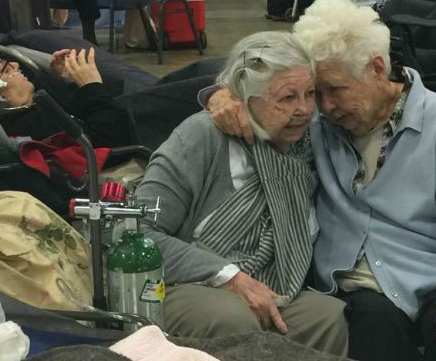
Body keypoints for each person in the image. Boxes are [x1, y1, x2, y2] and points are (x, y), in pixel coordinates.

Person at [207, 0, 436, 361]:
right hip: (356, 283)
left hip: (435, 270)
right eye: (315, 92)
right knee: (374, 331)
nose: (323, 107)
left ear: (376, 68)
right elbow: (254, 78)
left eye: (335, 90)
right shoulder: (316, 124)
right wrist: (217, 94)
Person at [134, 31, 348, 356]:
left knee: (330, 317)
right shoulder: (202, 136)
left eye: (309, 94)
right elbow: (139, 234)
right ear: (244, 98)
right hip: (187, 282)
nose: (304, 109)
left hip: (276, 282)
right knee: (235, 319)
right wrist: (230, 277)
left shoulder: (305, 142)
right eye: (288, 98)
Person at [0, 43, 135, 148]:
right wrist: (91, 86)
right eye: (5, 68)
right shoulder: (29, 126)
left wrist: (65, 78)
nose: (15, 64)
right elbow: (112, 139)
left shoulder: (34, 106)